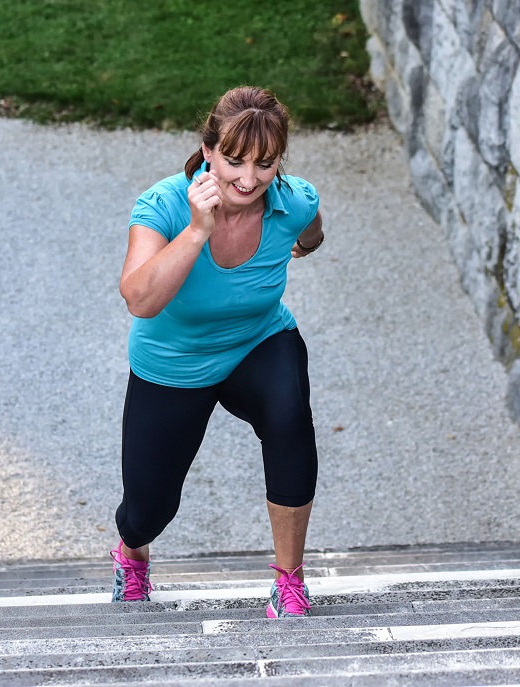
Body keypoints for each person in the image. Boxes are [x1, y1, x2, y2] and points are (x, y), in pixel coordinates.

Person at [109, 86, 324, 618]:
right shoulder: (161, 205)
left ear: (280, 162)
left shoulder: (293, 201)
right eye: (233, 161)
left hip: (258, 341)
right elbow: (140, 299)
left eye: (265, 164)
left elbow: (312, 231)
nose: (248, 180)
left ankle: (289, 581)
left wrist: (302, 243)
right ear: (208, 150)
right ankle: (133, 555)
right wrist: (197, 230)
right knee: (148, 509)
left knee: (289, 415)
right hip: (174, 362)